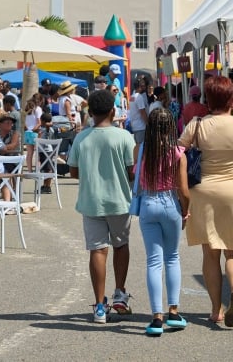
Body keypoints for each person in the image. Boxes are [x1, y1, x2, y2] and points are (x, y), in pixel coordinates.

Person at [68, 89, 135, 323]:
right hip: (119, 200)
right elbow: (131, 170)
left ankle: (99, 305)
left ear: (91, 112)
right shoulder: (124, 137)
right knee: (121, 245)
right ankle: (120, 292)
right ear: (113, 111)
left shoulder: (81, 138)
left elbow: (73, 170)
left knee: (97, 250)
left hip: (91, 200)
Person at [178, 75, 233, 325]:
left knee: (211, 253)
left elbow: (177, 152)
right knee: (232, 253)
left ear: (207, 99)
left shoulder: (196, 124)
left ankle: (216, 310)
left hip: (204, 193)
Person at [138, 108, 190, 335]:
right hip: (170, 203)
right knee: (172, 257)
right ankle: (174, 312)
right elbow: (184, 191)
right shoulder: (179, 152)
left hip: (149, 203)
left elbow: (135, 177)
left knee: (153, 261)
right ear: (171, 127)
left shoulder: (140, 150)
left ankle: (156, 317)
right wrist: (185, 212)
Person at [24, 99, 40, 172]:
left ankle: (30, 170)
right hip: (34, 132)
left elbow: (24, 123)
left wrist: (28, 128)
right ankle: (37, 170)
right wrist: (34, 129)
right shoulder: (36, 111)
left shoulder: (25, 112)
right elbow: (38, 123)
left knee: (29, 153)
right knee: (37, 152)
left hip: (27, 133)